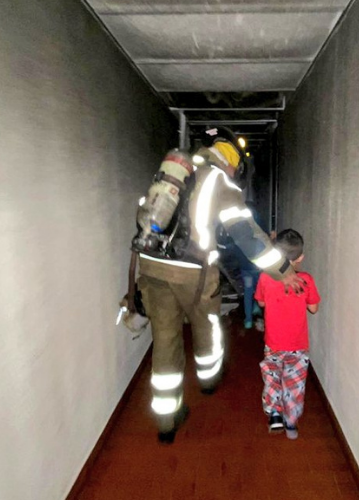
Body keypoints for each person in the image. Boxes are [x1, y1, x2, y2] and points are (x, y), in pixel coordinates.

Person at [136, 127, 304, 444]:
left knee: (165, 340)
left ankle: (166, 421)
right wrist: (284, 270)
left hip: (153, 266)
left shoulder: (177, 174)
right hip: (194, 274)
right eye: (236, 167)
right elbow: (248, 237)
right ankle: (209, 380)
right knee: (208, 326)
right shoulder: (221, 181)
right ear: (231, 161)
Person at [255, 229, 320, 440]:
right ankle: (291, 423)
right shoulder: (306, 280)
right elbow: (314, 308)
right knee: (294, 383)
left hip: (273, 343)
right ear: (301, 257)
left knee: (272, 376)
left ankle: (275, 413)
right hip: (298, 345)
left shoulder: (265, 278)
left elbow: (262, 302)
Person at [230, 202, 265, 329]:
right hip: (257, 266)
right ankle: (256, 308)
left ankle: (248, 320)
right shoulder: (256, 226)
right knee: (259, 289)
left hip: (245, 267)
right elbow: (263, 237)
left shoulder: (237, 230)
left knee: (248, 290)